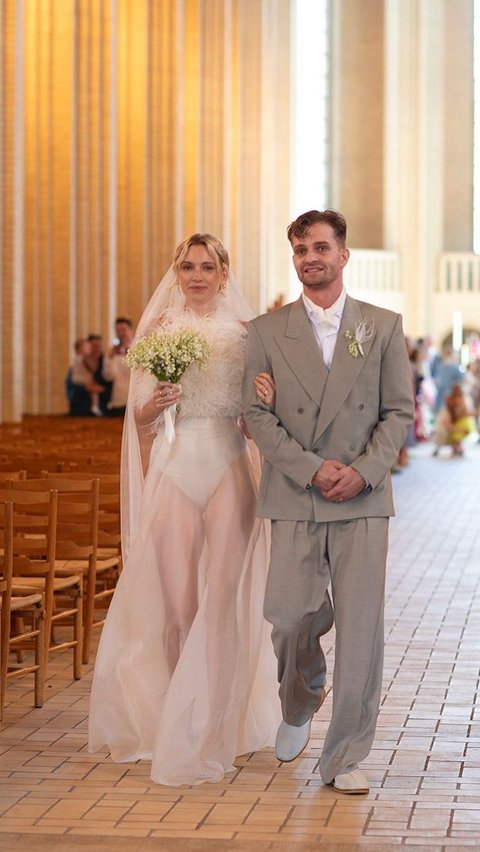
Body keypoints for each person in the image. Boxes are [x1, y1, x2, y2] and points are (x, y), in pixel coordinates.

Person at [88, 233, 279, 785]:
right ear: (176, 273)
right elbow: (140, 420)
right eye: (187, 266)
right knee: (179, 609)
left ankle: (217, 725)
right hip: (177, 469)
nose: (197, 275)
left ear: (224, 272)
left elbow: (257, 416)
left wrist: (258, 410)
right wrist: (156, 401)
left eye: (208, 266)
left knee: (220, 606)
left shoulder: (248, 336)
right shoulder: (157, 333)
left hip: (229, 470)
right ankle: (182, 720)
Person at [242, 209, 414, 795]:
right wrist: (314, 469)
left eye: (319, 247)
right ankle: (299, 698)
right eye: (299, 250)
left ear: (343, 255)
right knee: (290, 618)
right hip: (295, 492)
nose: (309, 258)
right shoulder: (265, 332)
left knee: (362, 629)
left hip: (362, 499)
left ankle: (344, 755)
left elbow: (399, 413)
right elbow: (256, 416)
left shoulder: (382, 327)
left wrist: (363, 472)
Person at [102, 317, 136, 416]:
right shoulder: (113, 351)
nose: (121, 333)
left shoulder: (139, 347)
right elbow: (108, 377)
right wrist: (108, 358)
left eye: (124, 330)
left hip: (135, 399)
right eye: (118, 331)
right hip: (119, 399)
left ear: (131, 330)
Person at [433, 383, 475, 457]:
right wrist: (459, 428)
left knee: (465, 422)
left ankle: (456, 445)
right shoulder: (446, 410)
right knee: (446, 430)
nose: (458, 399)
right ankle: (444, 446)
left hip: (453, 429)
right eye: (455, 396)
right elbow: (446, 425)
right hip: (444, 432)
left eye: (460, 396)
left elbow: (466, 414)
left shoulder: (461, 407)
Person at [67, 338, 105, 416]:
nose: (88, 350)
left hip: (87, 383)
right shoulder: (78, 360)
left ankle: (95, 407)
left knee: (94, 393)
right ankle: (94, 407)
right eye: (85, 348)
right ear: (78, 350)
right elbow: (75, 379)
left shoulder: (97, 360)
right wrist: (86, 385)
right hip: (81, 390)